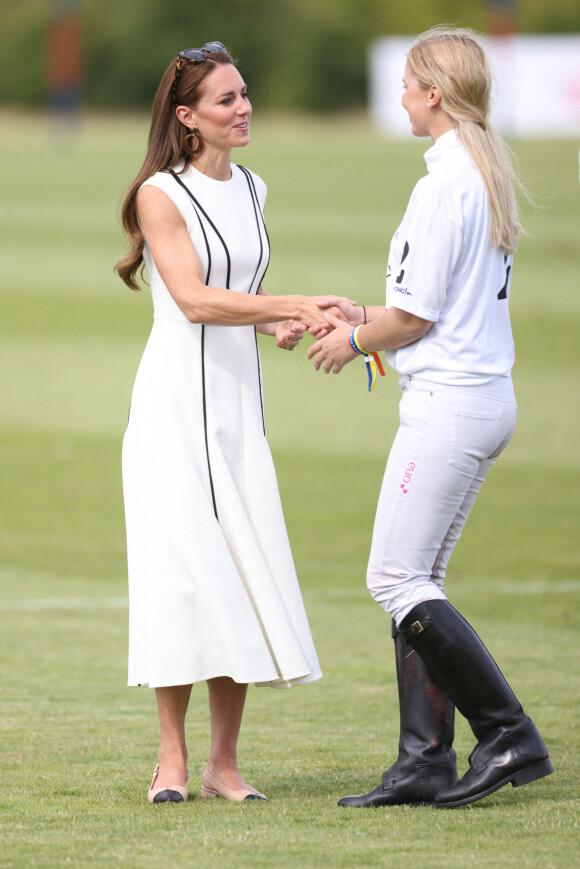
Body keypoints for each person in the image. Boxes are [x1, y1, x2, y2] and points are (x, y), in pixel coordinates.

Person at [307, 26, 553, 809]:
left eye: (410, 84)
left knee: (394, 576)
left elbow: (412, 322)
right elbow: (424, 310)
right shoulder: (476, 172)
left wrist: (352, 339)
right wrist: (358, 313)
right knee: (419, 580)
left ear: (433, 95)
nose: (402, 94)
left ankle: (506, 730)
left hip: (449, 405)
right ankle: (424, 760)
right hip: (477, 397)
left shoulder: (444, 182)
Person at [115, 42, 342, 805]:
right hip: (173, 415)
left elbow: (240, 295)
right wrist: (293, 305)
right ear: (187, 117)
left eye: (244, 95)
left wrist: (275, 323)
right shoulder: (160, 194)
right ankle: (171, 760)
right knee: (182, 582)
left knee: (240, 572)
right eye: (224, 100)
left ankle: (225, 763)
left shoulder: (254, 187)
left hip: (238, 415)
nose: (242, 108)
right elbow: (195, 299)